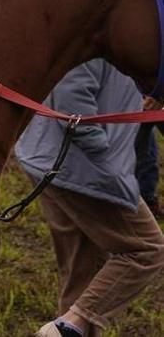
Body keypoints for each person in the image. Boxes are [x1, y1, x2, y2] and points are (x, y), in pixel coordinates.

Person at [15, 59, 164, 337]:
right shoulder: (102, 24)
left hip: (53, 161)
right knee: (146, 249)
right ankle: (68, 326)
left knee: (83, 268)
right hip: (80, 168)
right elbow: (71, 99)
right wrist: (106, 158)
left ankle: (67, 327)